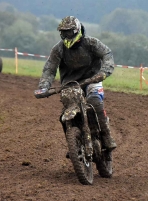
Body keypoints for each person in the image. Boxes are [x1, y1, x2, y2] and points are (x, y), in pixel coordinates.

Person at [37, 16, 117, 152]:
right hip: (70, 84)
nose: (66, 35)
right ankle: (74, 144)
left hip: (92, 79)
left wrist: (103, 72)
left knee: (95, 102)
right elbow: (49, 68)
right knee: (64, 116)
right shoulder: (59, 49)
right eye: (63, 32)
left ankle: (106, 136)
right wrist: (43, 86)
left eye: (69, 32)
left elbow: (107, 55)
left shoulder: (91, 43)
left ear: (77, 30)